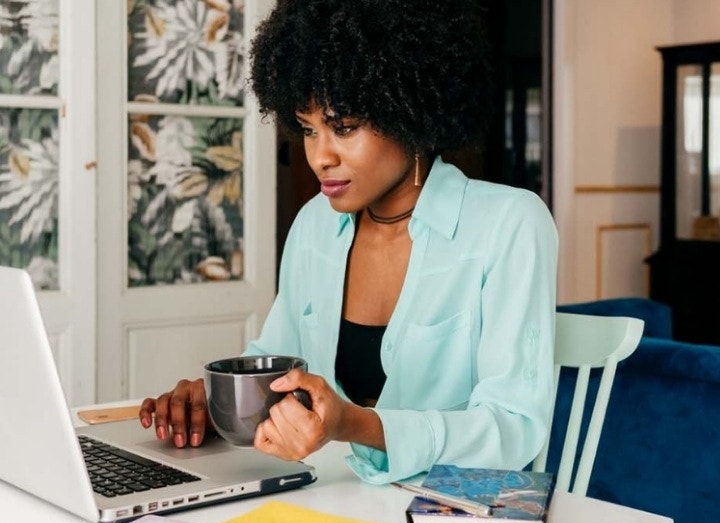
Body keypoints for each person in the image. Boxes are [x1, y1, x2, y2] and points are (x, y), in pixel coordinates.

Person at [139, 0, 558, 485]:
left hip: (440, 510)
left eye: (344, 128)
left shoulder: (508, 224)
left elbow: (515, 428)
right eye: (308, 130)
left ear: (412, 112)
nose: (320, 157)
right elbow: (276, 364)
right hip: (329, 495)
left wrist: (352, 424)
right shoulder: (316, 225)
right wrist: (213, 400)